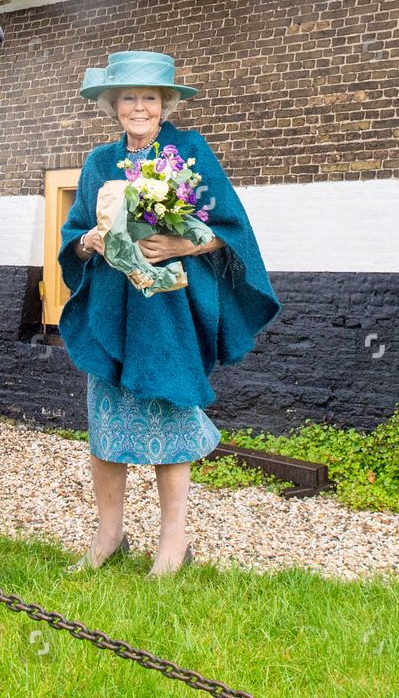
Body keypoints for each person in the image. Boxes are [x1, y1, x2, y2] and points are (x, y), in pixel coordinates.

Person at [58, 51, 279, 576]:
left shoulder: (189, 150)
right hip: (113, 308)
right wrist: (89, 239)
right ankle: (109, 535)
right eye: (128, 97)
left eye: (149, 98)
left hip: (170, 310)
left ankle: (173, 543)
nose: (138, 107)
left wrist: (179, 244)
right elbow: (74, 236)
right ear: (113, 105)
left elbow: (230, 228)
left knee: (172, 415)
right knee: (106, 425)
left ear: (165, 105)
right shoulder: (97, 163)